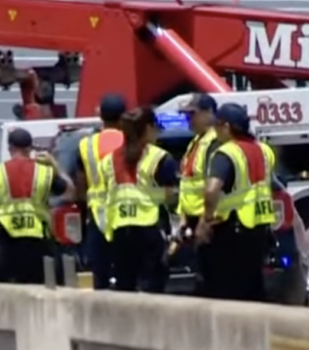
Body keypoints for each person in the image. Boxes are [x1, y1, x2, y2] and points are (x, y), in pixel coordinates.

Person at [196, 103, 283, 302]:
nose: (215, 130)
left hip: (232, 229)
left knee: (227, 293)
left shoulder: (226, 153)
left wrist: (205, 221)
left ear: (227, 126)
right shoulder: (264, 150)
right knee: (254, 290)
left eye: (217, 125)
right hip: (259, 228)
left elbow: (211, 191)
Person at [0, 128, 73, 284]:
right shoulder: (43, 171)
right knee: (43, 295)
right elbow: (70, 192)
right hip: (39, 245)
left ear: (10, 148)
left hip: (8, 244)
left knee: (10, 298)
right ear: (30, 149)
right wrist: (55, 166)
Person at [99, 107, 181, 292]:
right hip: (149, 229)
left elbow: (106, 193)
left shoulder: (109, 160)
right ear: (148, 128)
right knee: (152, 289)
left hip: (120, 231)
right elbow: (171, 195)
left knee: (125, 288)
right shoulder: (159, 158)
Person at [74, 94, 128, 288]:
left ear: (101, 117)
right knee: (127, 274)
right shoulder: (131, 141)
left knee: (100, 275)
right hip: (128, 214)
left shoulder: (86, 145)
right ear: (123, 117)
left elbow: (81, 185)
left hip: (97, 215)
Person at [176, 93, 220, 294]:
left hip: (209, 221)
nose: (188, 120)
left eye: (192, 115)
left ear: (209, 113)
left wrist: (204, 220)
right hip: (194, 220)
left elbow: (213, 185)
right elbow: (188, 183)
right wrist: (184, 218)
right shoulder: (196, 142)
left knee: (212, 277)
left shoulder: (213, 142)